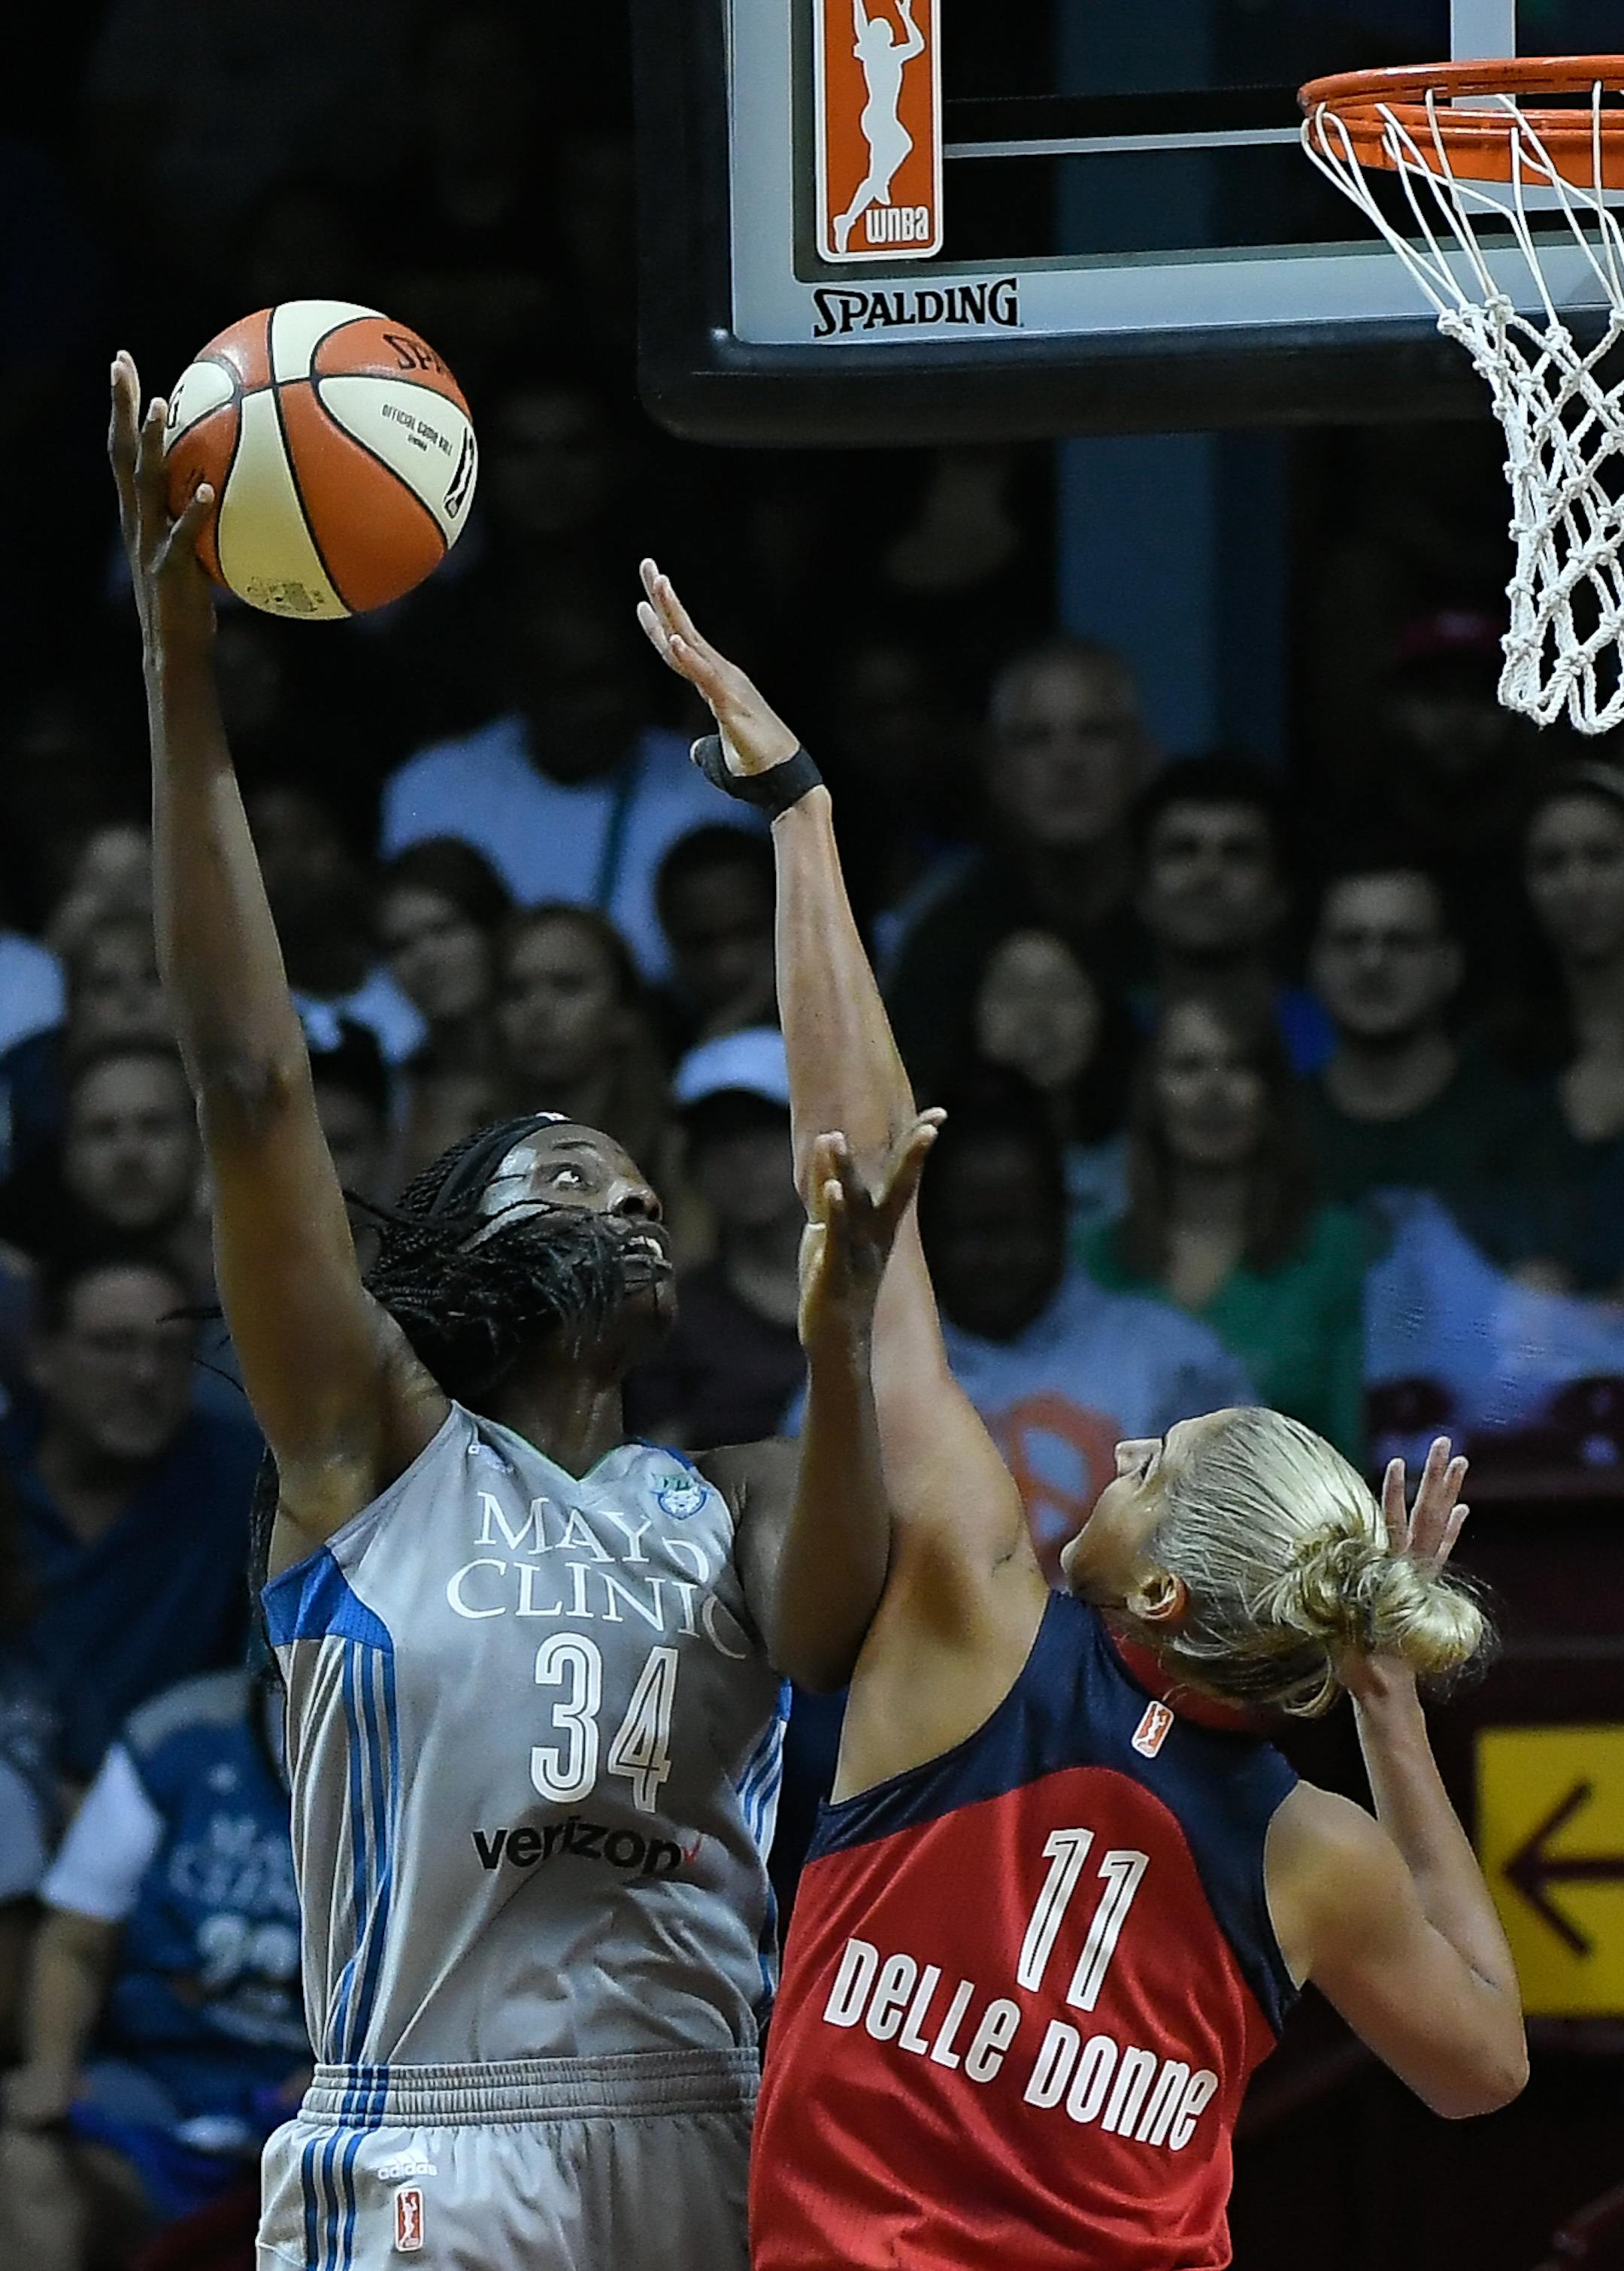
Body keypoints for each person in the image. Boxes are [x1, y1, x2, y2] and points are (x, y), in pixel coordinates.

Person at [109, 351, 937, 2271]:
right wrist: (180, 673)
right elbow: (249, 1084)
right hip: (433, 2148)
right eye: (571, 1178)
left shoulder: (727, 1498)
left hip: (703, 2129)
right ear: (472, 1247)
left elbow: (829, 1603)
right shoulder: (372, 1448)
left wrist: (793, 810)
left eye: (643, 1187)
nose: (630, 1199)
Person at [636, 561, 1526, 2271]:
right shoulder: (1311, 1849)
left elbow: (859, 1179)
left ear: (1167, 1592)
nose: (1121, 1448)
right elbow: (1484, 2069)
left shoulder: (976, 1609)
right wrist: (1388, 1714)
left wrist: (798, 816)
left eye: (1157, 1464)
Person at [0, 1667, 307, 2271]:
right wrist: (51, 2064)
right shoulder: (180, 1733)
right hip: (156, 2084)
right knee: (23, 2171)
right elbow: (76, 1937)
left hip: (326, 2111)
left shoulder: (436, 1748)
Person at [911, 1073, 1253, 1581]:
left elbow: (1249, 1548)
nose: (999, 1257)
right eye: (972, 1231)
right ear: (925, 1230)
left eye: (1019, 1226)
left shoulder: (1175, 1363)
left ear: (1062, 1217)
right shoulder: (874, 1380)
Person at [380, 565, 761, 982]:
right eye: (576, 686)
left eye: (619, 678)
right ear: (518, 687)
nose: (606, 705)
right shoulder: (434, 791)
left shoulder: (711, 788)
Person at [2, 1249, 261, 1786]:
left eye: (170, 1349)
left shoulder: (243, 1487)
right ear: (42, 1357)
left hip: (170, 1807)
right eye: (111, 1346)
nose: (145, 1374)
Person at [1080, 990, 1368, 1460]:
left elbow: (1358, 1447)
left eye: (1239, 1066)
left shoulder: (1337, 1249)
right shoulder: (1091, 1258)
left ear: (1273, 1093)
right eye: (1189, 1067)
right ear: (1151, 1091)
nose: (1214, 1089)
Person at [884, 635, 1153, 1096]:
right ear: (997, 769)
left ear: (1141, 759)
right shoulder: (943, 936)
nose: (1068, 762)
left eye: (1095, 733)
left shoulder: (1181, 922)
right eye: (1035, 738)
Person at [1304, 860, 1573, 1271]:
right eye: (1349, 941)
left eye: (1402, 942)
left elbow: (1539, 1299)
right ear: (1316, 964)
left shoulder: (1522, 1127)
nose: (1373, 961)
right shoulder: (1271, 1122)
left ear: (1450, 965)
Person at [626, 1029, 806, 1451]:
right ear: (690, 1163)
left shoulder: (891, 1290)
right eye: (719, 1136)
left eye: (763, 1129)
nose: (743, 1157)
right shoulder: (670, 1317)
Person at [1132, 753, 1333, 1075]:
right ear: (1141, 890)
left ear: (1281, 894)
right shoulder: (1106, 1034)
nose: (1208, 874)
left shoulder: (1336, 1041)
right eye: (1183, 850)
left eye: (1238, 853)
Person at [968, 928, 1138, 1237]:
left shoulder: (1144, 1160)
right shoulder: (927, 1153)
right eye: (1014, 991)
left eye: (1061, 991)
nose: (1037, 1015)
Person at [377, 838, 512, 1187]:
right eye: (401, 945)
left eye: (444, 929)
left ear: (491, 929)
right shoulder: (397, 1089)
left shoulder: (555, 1064)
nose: (426, 960)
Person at [653, 827, 778, 1056]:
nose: (730, 965)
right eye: (702, 943)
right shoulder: (644, 1038)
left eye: (750, 933)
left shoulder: (851, 1013)